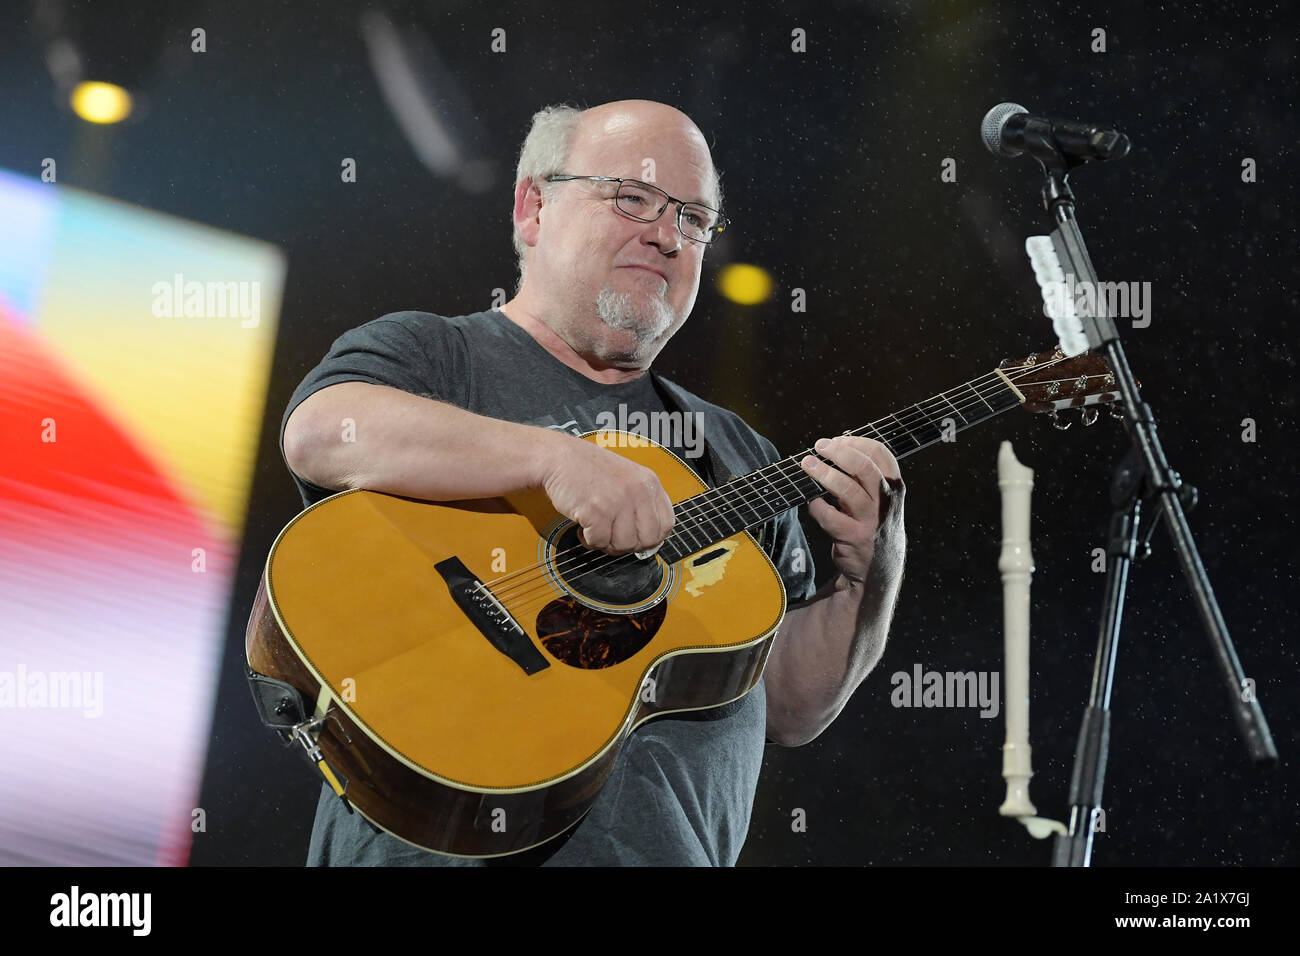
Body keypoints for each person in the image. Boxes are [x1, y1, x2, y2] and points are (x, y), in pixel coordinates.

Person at [279, 99, 906, 866]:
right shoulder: (435, 355)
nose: (668, 236)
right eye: (633, 198)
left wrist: (870, 572)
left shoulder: (738, 453)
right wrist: (556, 460)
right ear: (533, 205)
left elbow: (794, 706)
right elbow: (320, 431)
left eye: (695, 219)